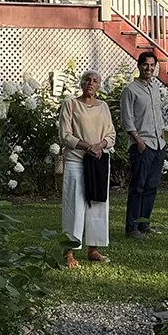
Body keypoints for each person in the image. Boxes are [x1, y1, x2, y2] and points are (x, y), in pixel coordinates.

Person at [58, 70, 115, 267]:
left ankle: (94, 249)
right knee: (74, 206)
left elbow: (111, 135)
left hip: (98, 161)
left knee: (98, 204)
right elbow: (65, 135)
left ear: (99, 85)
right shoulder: (71, 104)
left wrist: (99, 146)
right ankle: (69, 252)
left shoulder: (104, 107)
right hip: (76, 161)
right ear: (81, 84)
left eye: (95, 81)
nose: (91, 83)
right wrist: (87, 146)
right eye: (87, 80)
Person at [119, 49, 168, 236]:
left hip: (158, 145)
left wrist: (162, 135)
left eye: (152, 65)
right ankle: (132, 228)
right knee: (138, 187)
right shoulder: (130, 90)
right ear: (139, 66)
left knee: (151, 187)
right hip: (142, 145)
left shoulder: (155, 88)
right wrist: (138, 141)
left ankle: (144, 225)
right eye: (146, 65)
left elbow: (159, 115)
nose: (149, 68)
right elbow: (127, 119)